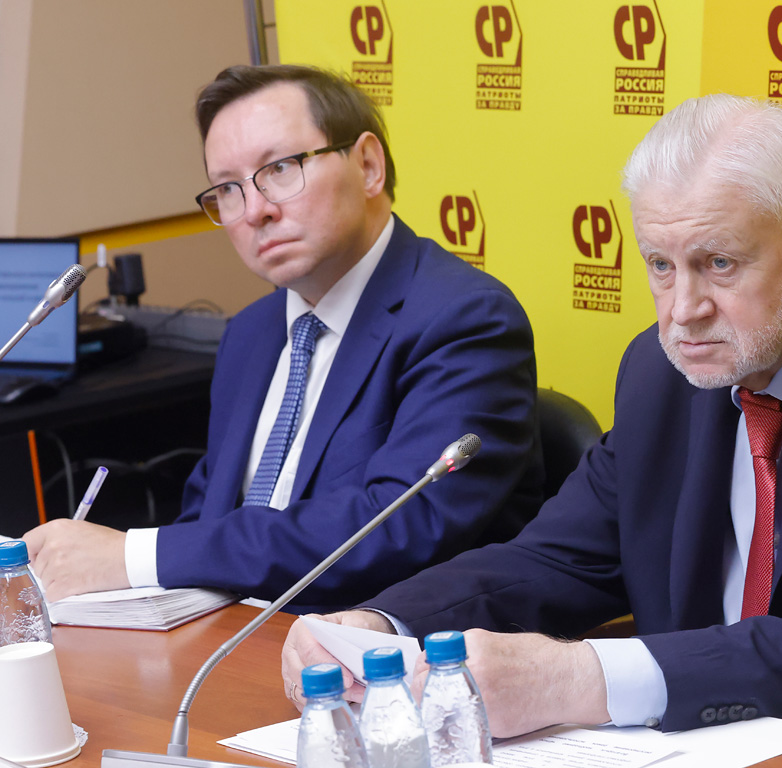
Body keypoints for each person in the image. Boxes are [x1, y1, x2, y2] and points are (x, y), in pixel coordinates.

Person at [281, 93, 782, 733]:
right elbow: (557, 559)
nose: (684, 310)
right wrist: (382, 624)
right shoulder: (660, 369)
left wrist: (580, 679)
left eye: (720, 263)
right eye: (661, 266)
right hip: (679, 761)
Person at [24, 65, 542, 612]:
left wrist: (132, 555)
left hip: (375, 644)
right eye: (228, 189)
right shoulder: (250, 333)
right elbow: (208, 519)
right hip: (231, 635)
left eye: (280, 169)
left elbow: (397, 525)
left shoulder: (463, 318)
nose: (256, 211)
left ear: (368, 166)